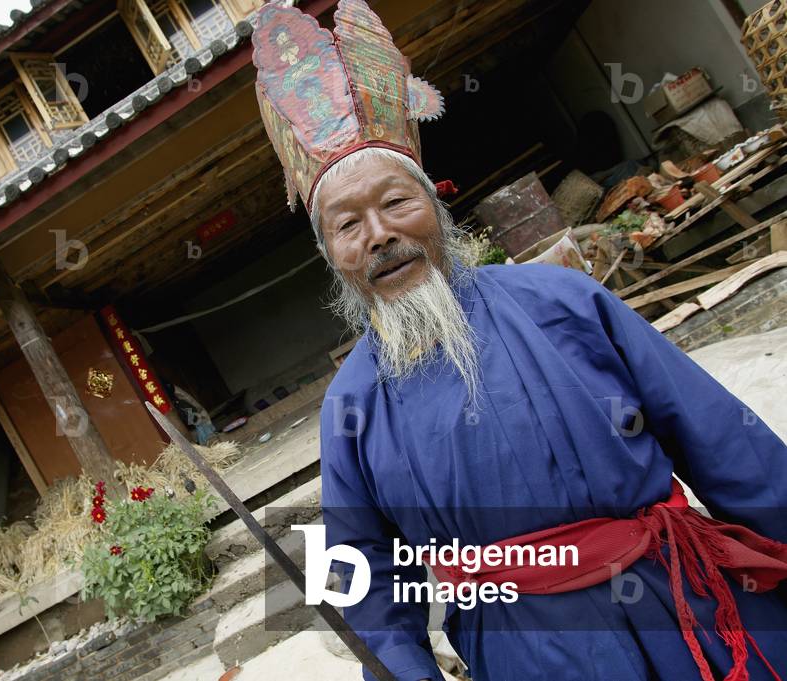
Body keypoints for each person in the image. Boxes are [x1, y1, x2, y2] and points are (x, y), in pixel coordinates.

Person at [251, 2, 787, 680]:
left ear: (437, 210)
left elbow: (720, 437)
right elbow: (363, 571)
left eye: (395, 202)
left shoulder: (562, 301)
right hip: (522, 653)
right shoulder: (352, 406)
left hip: (683, 609)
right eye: (347, 224)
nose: (379, 234)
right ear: (332, 256)